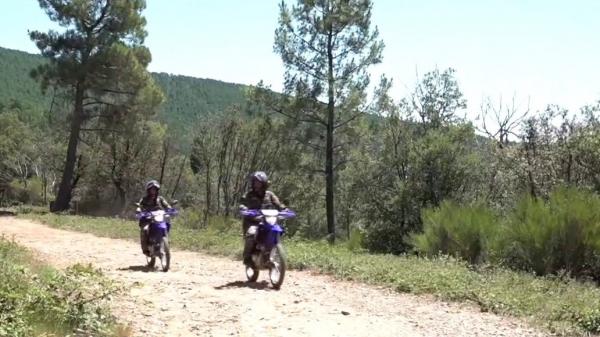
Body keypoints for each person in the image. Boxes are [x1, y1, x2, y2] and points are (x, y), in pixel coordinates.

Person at [239, 171, 286, 267]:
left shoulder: (269, 194)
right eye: (255, 182)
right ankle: (247, 257)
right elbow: (242, 203)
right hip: (253, 221)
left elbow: (278, 203)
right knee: (252, 233)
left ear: (264, 183)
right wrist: (244, 208)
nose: (257, 184)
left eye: (259, 182)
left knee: (277, 229)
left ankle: (274, 250)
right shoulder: (249, 194)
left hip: (267, 220)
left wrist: (283, 208)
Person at [137, 180, 171, 256]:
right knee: (145, 229)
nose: (153, 191)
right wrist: (139, 210)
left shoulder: (160, 198)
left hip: (159, 217)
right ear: (148, 190)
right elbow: (139, 205)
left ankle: (165, 239)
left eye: (155, 189)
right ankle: (145, 248)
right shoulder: (144, 199)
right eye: (152, 189)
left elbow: (166, 205)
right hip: (148, 219)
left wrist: (170, 208)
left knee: (167, 223)